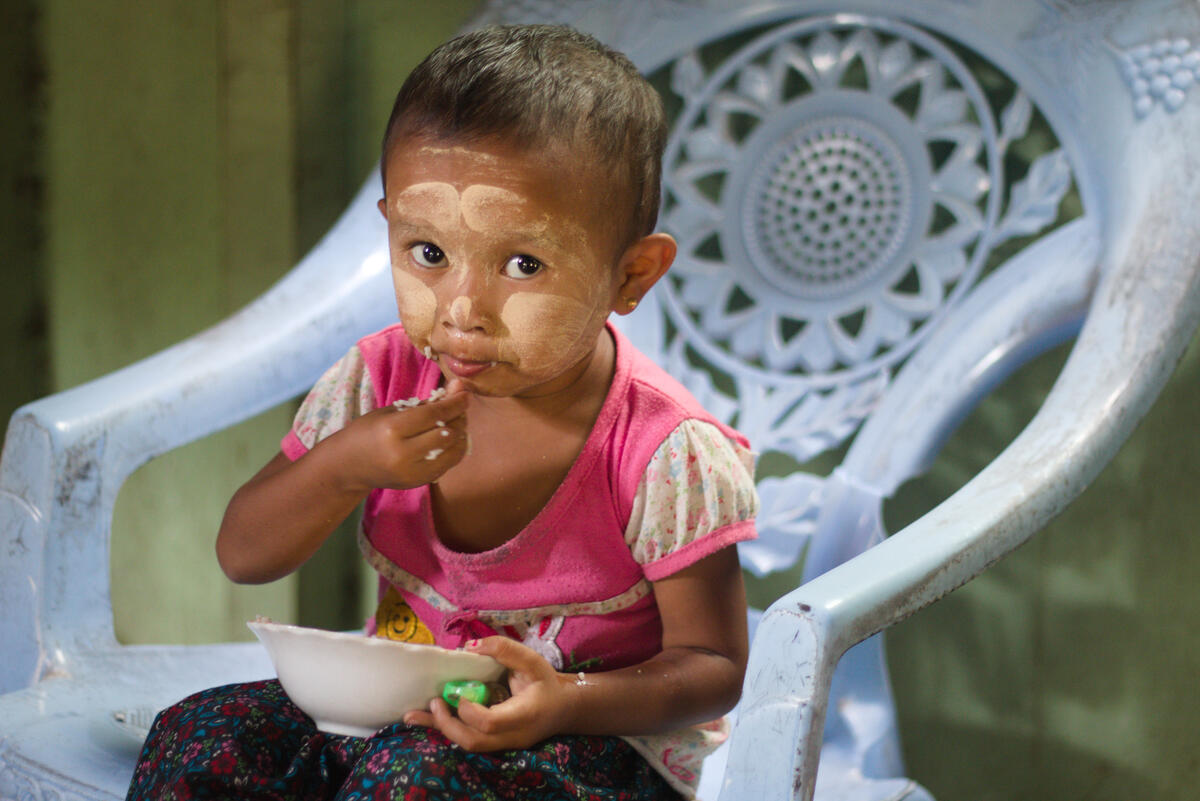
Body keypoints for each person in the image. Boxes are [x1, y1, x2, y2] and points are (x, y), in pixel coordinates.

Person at [126, 23, 758, 801]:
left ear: (632, 274)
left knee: (412, 781)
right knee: (201, 736)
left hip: (588, 750)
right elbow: (245, 554)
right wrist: (343, 465)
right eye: (428, 252)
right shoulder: (382, 377)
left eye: (523, 264)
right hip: (390, 721)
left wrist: (568, 701)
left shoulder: (663, 451)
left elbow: (714, 667)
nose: (461, 311)